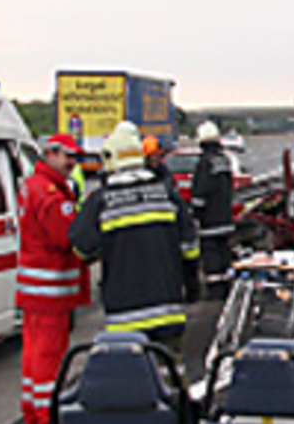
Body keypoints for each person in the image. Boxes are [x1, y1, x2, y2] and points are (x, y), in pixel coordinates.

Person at [71, 123, 201, 360]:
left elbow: (81, 248)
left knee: (129, 387)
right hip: (169, 311)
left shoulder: (101, 201)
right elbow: (190, 247)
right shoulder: (166, 193)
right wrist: (192, 287)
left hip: (123, 318)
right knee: (170, 380)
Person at [17, 133, 88, 424]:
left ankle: (33, 411)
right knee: (49, 353)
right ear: (50, 154)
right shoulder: (50, 194)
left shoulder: (34, 186)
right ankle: (47, 417)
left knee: (33, 351)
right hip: (51, 287)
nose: (73, 163)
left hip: (35, 285)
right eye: (67, 156)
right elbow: (67, 239)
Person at [190, 121, 235, 293]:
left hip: (210, 222)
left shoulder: (205, 163)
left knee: (211, 254)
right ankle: (226, 287)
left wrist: (196, 213)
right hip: (225, 217)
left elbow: (201, 192)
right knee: (224, 252)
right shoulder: (224, 160)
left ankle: (215, 289)